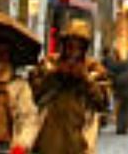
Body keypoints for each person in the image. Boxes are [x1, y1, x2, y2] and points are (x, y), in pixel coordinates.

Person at [28, 19, 110, 154]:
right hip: (47, 139)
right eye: (70, 45)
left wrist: (86, 79)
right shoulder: (49, 63)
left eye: (79, 46)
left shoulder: (94, 69)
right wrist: (55, 74)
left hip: (79, 141)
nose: (74, 51)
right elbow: (35, 96)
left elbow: (102, 104)